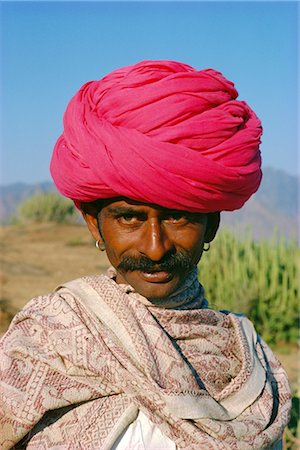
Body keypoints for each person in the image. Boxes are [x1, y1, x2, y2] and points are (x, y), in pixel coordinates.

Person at [0, 60, 291, 449]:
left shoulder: (250, 358)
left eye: (178, 218)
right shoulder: (46, 339)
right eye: (129, 218)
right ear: (94, 224)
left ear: (212, 225)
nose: (155, 247)